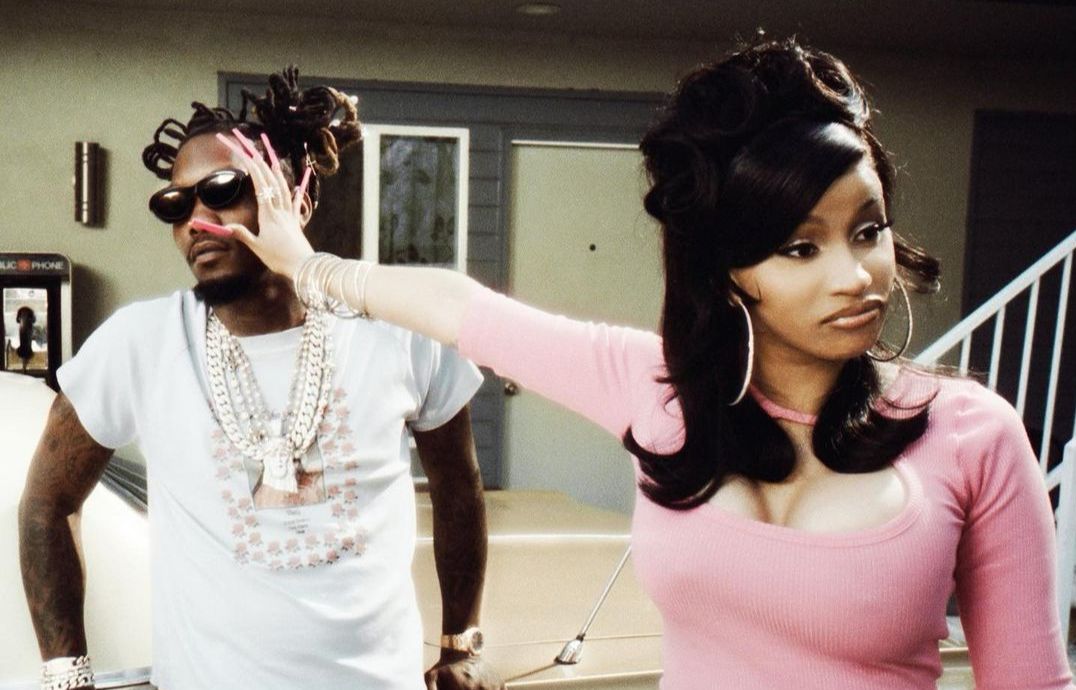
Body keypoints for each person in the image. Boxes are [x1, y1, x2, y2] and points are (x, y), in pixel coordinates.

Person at [221, 39, 1074, 689]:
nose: (855, 276)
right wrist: (307, 266)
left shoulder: (973, 436)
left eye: (868, 229)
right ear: (728, 270)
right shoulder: (656, 391)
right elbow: (461, 309)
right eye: (799, 247)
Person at [19, 67, 503, 690]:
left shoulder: (398, 330)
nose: (197, 220)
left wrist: (461, 643)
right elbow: (47, 503)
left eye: (223, 190)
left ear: (298, 196)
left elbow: (459, 488)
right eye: (175, 204)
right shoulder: (138, 345)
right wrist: (67, 675)